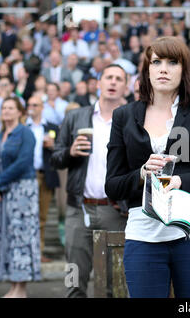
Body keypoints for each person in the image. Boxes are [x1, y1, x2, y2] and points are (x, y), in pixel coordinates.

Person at [105, 36, 190, 298]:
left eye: (173, 62)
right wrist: (141, 174)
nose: (163, 68)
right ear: (147, 69)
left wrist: (182, 181)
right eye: (156, 62)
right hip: (143, 236)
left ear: (185, 69)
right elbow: (112, 185)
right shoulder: (123, 116)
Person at [50, 64, 129, 298]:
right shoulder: (76, 117)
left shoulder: (131, 118)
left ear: (125, 86)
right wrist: (70, 152)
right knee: (73, 279)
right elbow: (55, 159)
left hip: (115, 210)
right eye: (109, 77)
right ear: (99, 82)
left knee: (115, 283)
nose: (113, 82)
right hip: (79, 209)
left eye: (119, 78)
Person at [0, 97, 40, 298]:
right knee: (8, 236)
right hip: (5, 190)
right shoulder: (0, 135)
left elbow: (23, 162)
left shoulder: (25, 133)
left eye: (10, 108)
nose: (6, 111)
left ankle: (21, 289)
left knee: (22, 236)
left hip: (23, 189)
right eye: (4, 108)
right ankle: (14, 285)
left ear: (19, 112)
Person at [26, 95, 60, 263]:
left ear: (41, 107)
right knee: (25, 215)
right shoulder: (23, 127)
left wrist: (53, 145)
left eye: (35, 105)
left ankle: (38, 252)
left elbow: (61, 149)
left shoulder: (52, 127)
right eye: (29, 104)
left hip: (44, 175)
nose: (31, 107)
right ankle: (26, 253)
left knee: (42, 217)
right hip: (25, 177)